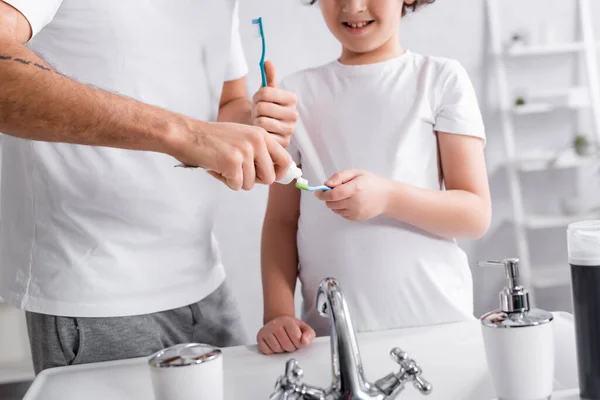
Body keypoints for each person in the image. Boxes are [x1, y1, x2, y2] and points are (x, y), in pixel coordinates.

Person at [0, 0, 298, 373]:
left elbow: (227, 100)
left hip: (205, 283)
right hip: (94, 296)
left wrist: (253, 122)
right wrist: (182, 134)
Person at [257, 0, 492, 355]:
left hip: (439, 332)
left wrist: (388, 197)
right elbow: (281, 221)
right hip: (331, 343)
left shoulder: (440, 79)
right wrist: (277, 314)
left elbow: (474, 215)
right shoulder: (294, 95)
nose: (353, 6)